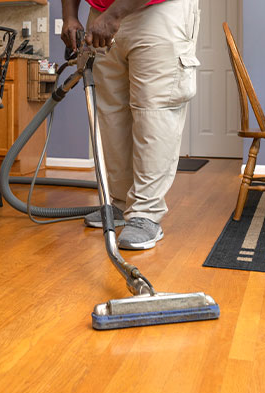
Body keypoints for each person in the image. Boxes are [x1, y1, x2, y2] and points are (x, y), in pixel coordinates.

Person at [61, 0, 201, 250]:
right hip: (103, 14)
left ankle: (146, 213)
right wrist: (69, 16)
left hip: (158, 11)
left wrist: (114, 14)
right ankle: (121, 204)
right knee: (111, 114)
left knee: (154, 112)